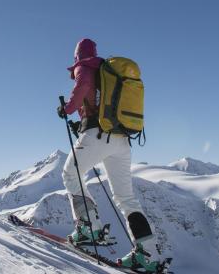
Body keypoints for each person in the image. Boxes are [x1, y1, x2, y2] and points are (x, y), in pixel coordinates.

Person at [59, 38, 164, 273]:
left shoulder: (84, 67)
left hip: (99, 136)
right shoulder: (110, 72)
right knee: (126, 198)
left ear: (77, 56)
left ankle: (89, 229)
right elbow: (99, 103)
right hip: (122, 140)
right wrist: (83, 123)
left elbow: (82, 87)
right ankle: (148, 255)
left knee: (70, 175)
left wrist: (66, 108)